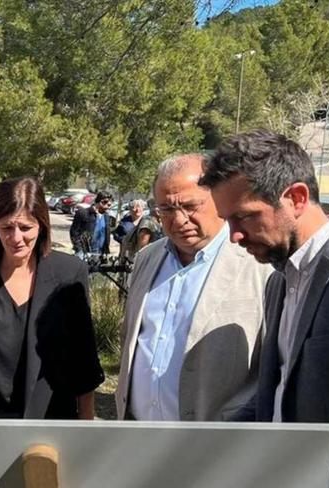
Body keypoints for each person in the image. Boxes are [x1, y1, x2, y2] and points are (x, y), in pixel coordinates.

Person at [201, 129, 329, 488]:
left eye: (244, 218)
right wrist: (206, 443)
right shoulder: (279, 280)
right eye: (227, 221)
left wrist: (292, 475)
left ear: (297, 198)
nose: (234, 236)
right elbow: (281, 390)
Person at [114, 154, 272, 421]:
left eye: (189, 206)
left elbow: (272, 366)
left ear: (218, 200)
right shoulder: (147, 259)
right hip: (138, 441)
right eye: (166, 209)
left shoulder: (259, 265)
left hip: (217, 448)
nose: (178, 221)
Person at [0, 177, 104, 419]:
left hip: (49, 420)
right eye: (7, 227)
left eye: (26, 228)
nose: (16, 238)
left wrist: (85, 424)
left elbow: (84, 357)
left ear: (42, 225)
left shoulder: (69, 272)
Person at [69, 191, 115, 256]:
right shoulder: (83, 213)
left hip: (100, 254)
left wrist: (106, 252)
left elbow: (106, 236)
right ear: (100, 201)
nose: (109, 207)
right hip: (85, 253)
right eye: (107, 204)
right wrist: (79, 250)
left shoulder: (106, 217)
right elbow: (74, 233)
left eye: (110, 204)